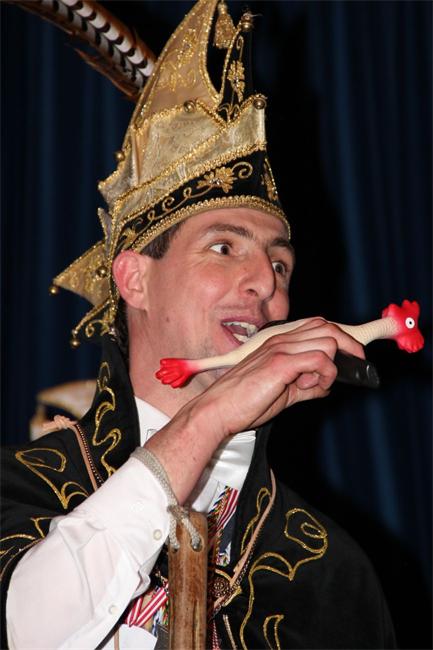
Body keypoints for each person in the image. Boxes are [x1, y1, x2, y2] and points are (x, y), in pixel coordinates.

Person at [1, 1, 396, 648]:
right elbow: (27, 628)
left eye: (280, 263)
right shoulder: (22, 488)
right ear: (134, 279)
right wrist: (207, 420)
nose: (265, 282)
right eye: (224, 247)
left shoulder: (330, 576)